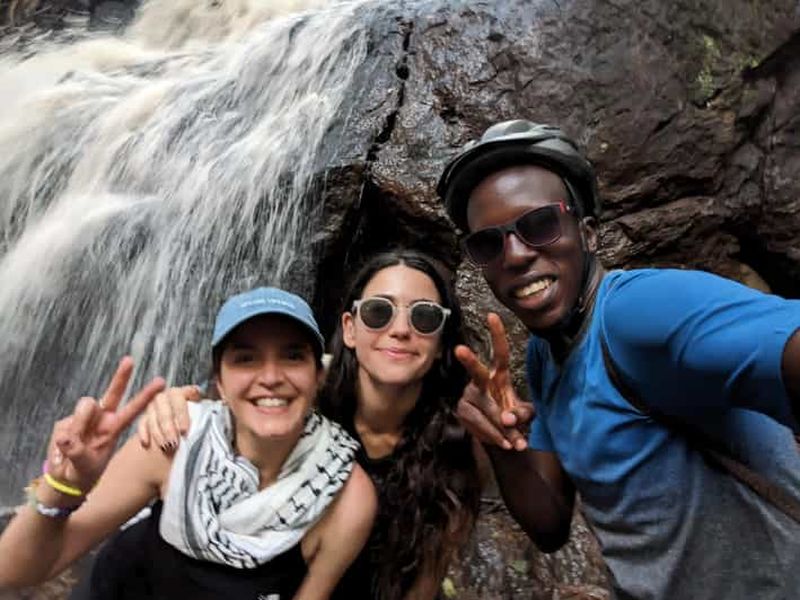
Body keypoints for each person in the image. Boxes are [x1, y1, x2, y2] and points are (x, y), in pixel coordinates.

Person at [435, 118, 800, 600]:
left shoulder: (636, 312)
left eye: (540, 224)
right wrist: (502, 443)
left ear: (587, 233)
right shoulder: (546, 354)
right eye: (488, 243)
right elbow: (550, 524)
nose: (516, 255)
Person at [96, 250, 480, 600]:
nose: (400, 329)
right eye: (379, 312)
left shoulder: (454, 447)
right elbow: (230, 400)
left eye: (425, 317)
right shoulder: (296, 397)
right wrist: (177, 401)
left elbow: (421, 586)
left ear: (441, 341)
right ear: (350, 328)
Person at [0, 286, 376, 600]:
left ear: (318, 376)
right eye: (245, 359)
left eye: (293, 356)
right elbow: (13, 571)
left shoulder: (345, 496)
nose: (271, 377)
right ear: (220, 383)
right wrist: (62, 486)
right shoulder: (172, 442)